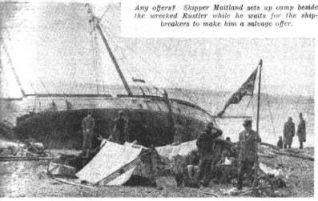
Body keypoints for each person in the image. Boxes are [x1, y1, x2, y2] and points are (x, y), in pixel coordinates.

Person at [196, 122, 222, 187]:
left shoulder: (211, 135)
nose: (208, 129)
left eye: (209, 128)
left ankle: (205, 183)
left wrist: (213, 127)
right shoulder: (202, 134)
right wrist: (201, 150)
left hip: (209, 153)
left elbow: (220, 132)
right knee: (202, 167)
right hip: (204, 153)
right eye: (208, 127)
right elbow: (197, 143)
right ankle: (198, 181)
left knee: (208, 168)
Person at [237, 119, 261, 190]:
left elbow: (259, 140)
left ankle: (252, 186)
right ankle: (239, 187)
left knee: (249, 172)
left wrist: (257, 139)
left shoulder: (254, 133)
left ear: (250, 126)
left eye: (247, 126)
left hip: (250, 156)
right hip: (242, 156)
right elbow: (240, 143)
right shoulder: (241, 133)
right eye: (245, 126)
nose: (246, 128)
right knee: (240, 172)